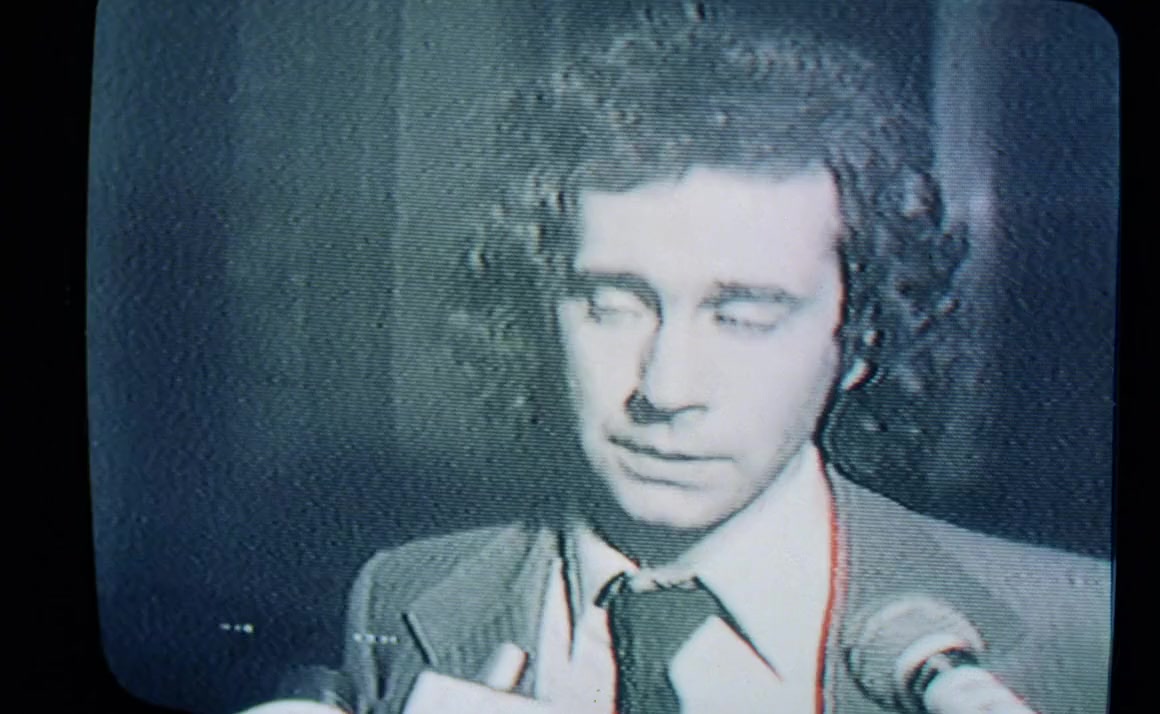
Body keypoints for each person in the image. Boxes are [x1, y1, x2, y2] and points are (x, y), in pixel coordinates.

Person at [247, 5, 1110, 713]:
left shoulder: (1082, 633)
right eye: (612, 304)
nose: (666, 388)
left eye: (745, 315)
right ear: (541, 310)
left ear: (860, 339)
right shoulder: (402, 593)